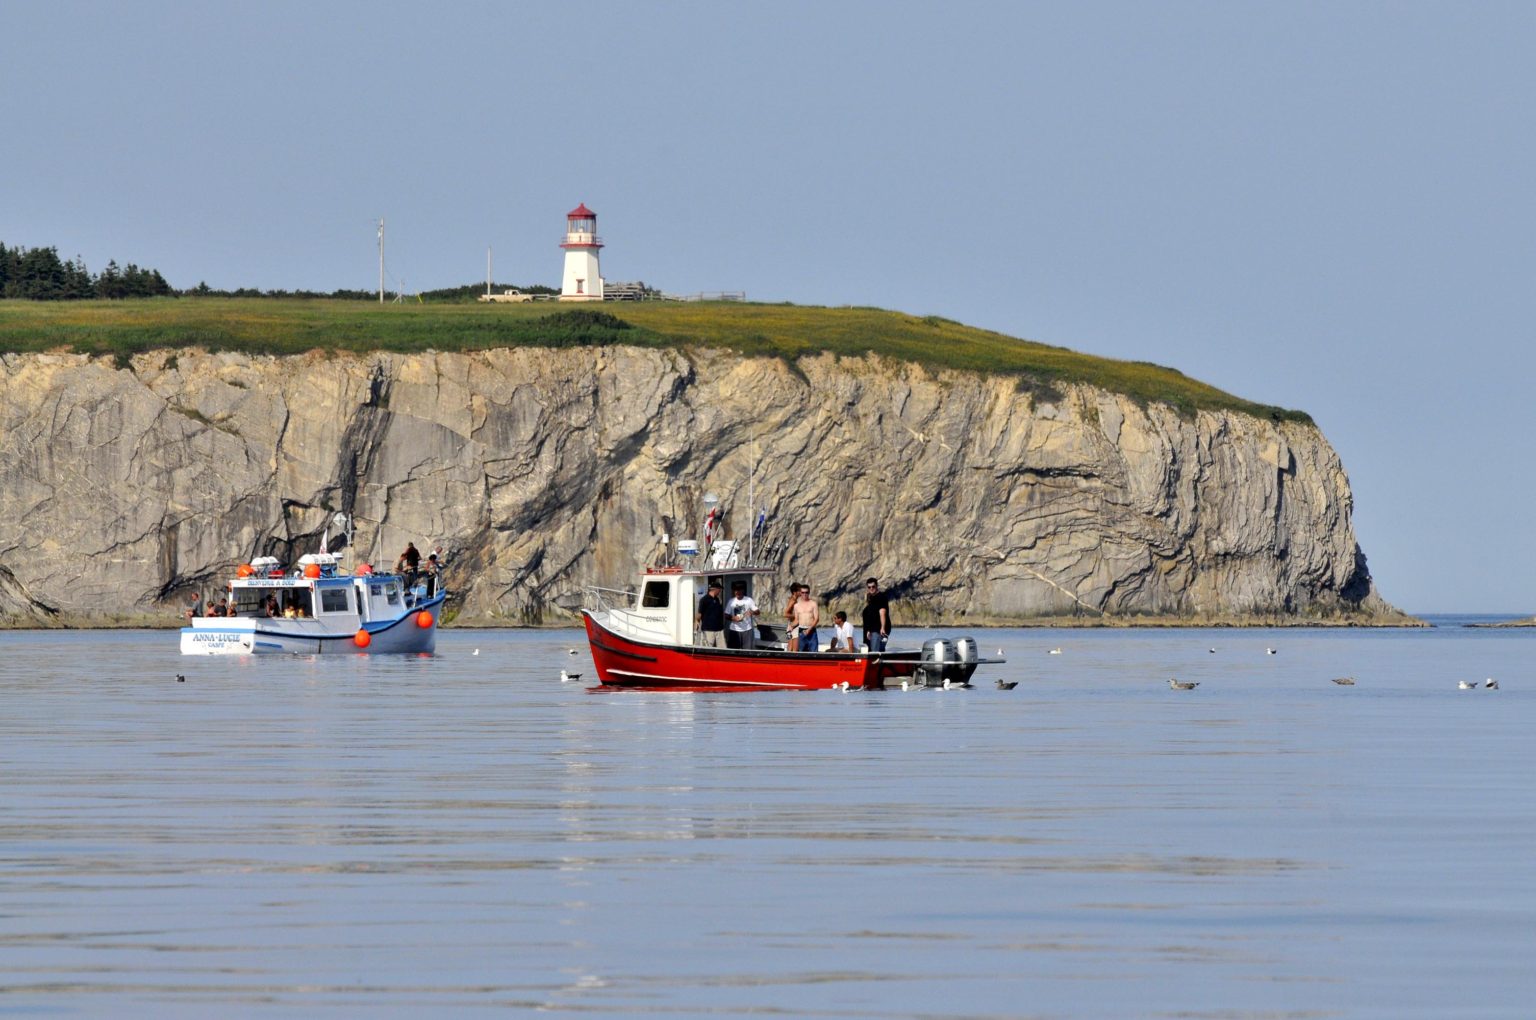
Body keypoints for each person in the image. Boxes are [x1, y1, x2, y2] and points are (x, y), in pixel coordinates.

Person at [724, 581, 759, 650]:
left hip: (747, 630)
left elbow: (758, 612)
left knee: (747, 650)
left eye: (739, 590)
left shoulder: (749, 600)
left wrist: (752, 612)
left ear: (743, 591)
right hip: (734, 630)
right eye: (736, 591)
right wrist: (733, 618)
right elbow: (726, 615)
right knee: (733, 650)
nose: (737, 592)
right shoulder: (731, 601)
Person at [862, 577, 892, 652]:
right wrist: (868, 630)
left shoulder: (881, 597)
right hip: (872, 630)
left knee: (875, 652)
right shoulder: (871, 597)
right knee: (876, 651)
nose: (871, 589)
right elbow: (871, 614)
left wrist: (882, 628)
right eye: (869, 587)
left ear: (877, 586)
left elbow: (882, 613)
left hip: (878, 630)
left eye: (873, 586)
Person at [696, 579, 726, 647]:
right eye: (719, 590)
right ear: (715, 589)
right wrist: (697, 621)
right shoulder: (704, 600)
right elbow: (699, 614)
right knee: (707, 648)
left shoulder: (717, 599)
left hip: (719, 629)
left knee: (723, 648)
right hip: (708, 630)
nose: (720, 592)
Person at [791, 584, 821, 652]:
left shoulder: (813, 604)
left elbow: (817, 619)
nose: (804, 594)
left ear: (809, 592)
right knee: (801, 653)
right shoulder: (796, 606)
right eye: (803, 592)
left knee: (814, 654)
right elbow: (796, 620)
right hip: (801, 631)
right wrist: (791, 626)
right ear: (800, 593)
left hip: (812, 631)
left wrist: (809, 629)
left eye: (806, 592)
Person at [783, 583, 804, 651]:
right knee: (795, 649)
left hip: (790, 625)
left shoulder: (793, 600)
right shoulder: (793, 601)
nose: (801, 592)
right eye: (799, 590)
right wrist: (797, 616)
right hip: (794, 626)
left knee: (790, 648)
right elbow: (785, 614)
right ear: (794, 592)